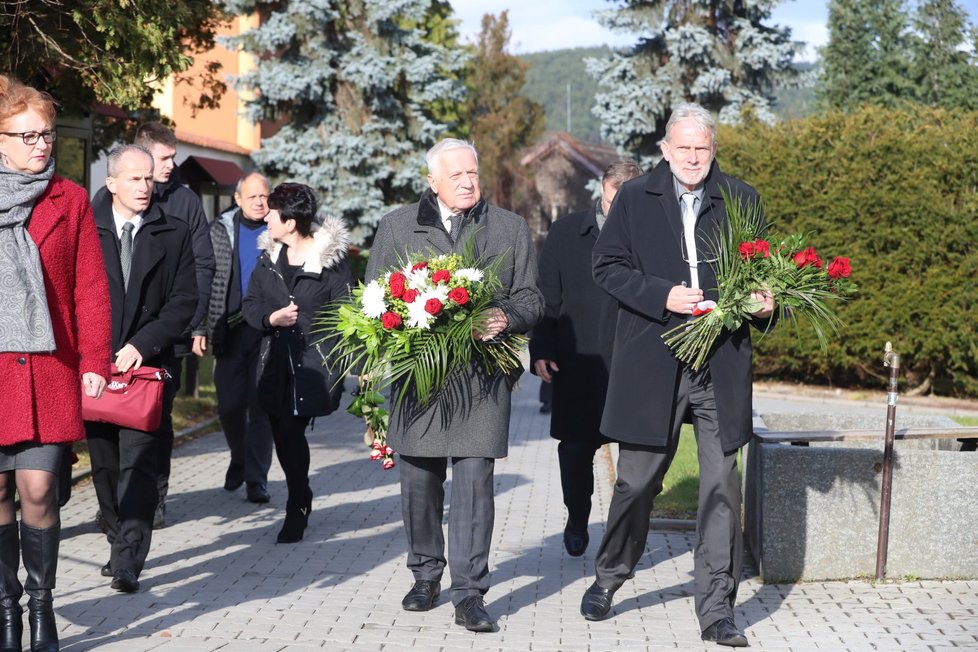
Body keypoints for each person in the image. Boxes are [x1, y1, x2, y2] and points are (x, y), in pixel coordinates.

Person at [580, 103, 775, 648]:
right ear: (665, 150)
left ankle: (716, 609)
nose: (692, 157)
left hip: (721, 360)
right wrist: (662, 295)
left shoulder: (741, 198)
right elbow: (607, 266)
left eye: (702, 148)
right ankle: (609, 576)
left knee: (720, 489)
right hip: (654, 358)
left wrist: (764, 302)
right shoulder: (637, 197)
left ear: (714, 151)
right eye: (682, 147)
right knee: (638, 481)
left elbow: (760, 272)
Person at [366, 138, 544, 633]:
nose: (468, 182)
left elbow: (532, 298)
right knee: (418, 483)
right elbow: (375, 299)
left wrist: (504, 315)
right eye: (457, 175)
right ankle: (426, 575)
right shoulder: (398, 227)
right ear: (433, 181)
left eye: (474, 173)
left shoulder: (508, 228)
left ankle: (469, 592)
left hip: (481, 380)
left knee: (473, 487)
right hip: (417, 379)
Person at [0, 75, 112, 652]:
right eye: (27, 136)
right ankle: (6, 612)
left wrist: (95, 356)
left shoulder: (68, 200)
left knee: (40, 488)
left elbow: (90, 286)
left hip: (49, 369)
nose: (41, 145)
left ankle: (43, 607)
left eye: (46, 134)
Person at [92, 122, 215, 528]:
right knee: (107, 449)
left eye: (164, 162)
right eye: (160, 159)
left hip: (162, 342)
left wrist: (193, 325)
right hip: (105, 351)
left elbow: (199, 268)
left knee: (151, 433)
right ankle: (116, 517)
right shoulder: (95, 214)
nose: (167, 167)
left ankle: (149, 507)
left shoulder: (183, 205)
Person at [86, 144, 197, 594]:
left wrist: (142, 344)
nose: (145, 187)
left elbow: (185, 300)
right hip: (96, 366)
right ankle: (117, 536)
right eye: (134, 178)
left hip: (148, 369)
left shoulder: (173, 231)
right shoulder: (86, 230)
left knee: (139, 461)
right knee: (104, 463)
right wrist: (93, 354)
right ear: (111, 182)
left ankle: (130, 555)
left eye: (149, 178)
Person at [529, 159, 643, 558]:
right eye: (615, 199)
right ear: (602, 189)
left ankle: (624, 533)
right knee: (575, 452)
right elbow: (547, 298)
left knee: (640, 461)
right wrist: (541, 349)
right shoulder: (565, 232)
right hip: (579, 364)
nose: (622, 209)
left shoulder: (650, 234)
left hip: (636, 366)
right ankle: (577, 516)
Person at [242, 183, 352, 544]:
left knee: (291, 431)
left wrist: (339, 354)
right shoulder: (268, 258)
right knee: (281, 433)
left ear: (290, 222)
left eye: (272, 213)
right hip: (273, 362)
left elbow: (345, 312)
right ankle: (301, 491)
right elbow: (251, 303)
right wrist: (271, 319)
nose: (266, 219)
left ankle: (296, 504)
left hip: (312, 366)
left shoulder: (331, 262)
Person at [193, 173, 275, 504]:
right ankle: (238, 457)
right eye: (252, 196)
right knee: (229, 406)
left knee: (261, 407)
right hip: (229, 329)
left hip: (268, 332)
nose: (259, 201)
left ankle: (256, 479)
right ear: (238, 199)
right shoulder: (220, 230)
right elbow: (205, 279)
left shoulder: (280, 230)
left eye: (264, 196)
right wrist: (199, 326)